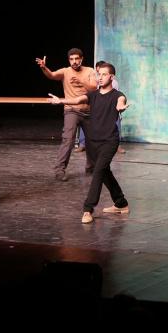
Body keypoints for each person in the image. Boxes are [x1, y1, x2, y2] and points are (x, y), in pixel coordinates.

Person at [48, 62, 129, 223]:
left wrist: (121, 107)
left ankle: (88, 209)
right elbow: (78, 100)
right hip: (93, 141)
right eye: (99, 74)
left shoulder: (118, 95)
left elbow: (120, 102)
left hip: (109, 141)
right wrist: (61, 101)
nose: (100, 77)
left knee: (98, 172)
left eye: (104, 74)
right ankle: (121, 203)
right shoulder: (93, 95)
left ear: (112, 77)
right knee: (104, 172)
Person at [36, 48, 98, 181]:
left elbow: (94, 88)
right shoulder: (65, 71)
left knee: (92, 141)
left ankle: (91, 168)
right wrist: (44, 67)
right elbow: (52, 75)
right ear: (69, 60)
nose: (74, 61)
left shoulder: (90, 71)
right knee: (68, 140)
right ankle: (59, 170)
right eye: (71, 59)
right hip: (71, 110)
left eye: (77, 59)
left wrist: (81, 80)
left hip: (88, 111)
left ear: (81, 59)